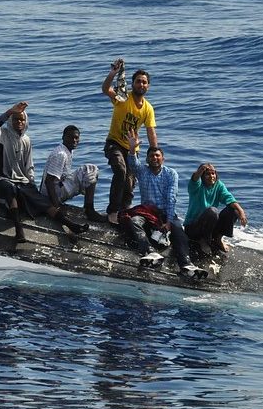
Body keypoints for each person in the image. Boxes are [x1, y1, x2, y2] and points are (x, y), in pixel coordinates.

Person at [0, 102, 88, 243]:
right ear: (11, 120)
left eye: (22, 119)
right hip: (2, 179)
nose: (19, 122)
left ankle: (71, 224)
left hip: (21, 182)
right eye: (16, 119)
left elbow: (29, 167)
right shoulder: (1, 134)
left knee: (41, 201)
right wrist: (9, 112)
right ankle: (19, 231)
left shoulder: (26, 140)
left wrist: (31, 184)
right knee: (9, 189)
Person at [120, 130, 206, 279]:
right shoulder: (142, 171)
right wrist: (132, 149)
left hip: (166, 213)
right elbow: (132, 163)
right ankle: (150, 252)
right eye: (151, 156)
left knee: (178, 231)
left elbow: (171, 197)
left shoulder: (171, 173)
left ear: (163, 159)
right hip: (147, 212)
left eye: (157, 156)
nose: (154, 158)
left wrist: (168, 222)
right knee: (134, 221)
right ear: (147, 159)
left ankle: (186, 265)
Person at [102, 58, 158, 225]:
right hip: (114, 143)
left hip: (132, 149)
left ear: (148, 86)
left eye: (144, 82)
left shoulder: (148, 108)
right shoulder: (122, 97)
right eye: (138, 81)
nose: (141, 85)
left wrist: (155, 153)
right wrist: (113, 73)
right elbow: (105, 89)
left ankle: (124, 212)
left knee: (130, 181)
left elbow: (151, 132)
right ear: (133, 83)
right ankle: (112, 211)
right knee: (120, 170)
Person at [42, 125, 104, 223]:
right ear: (63, 137)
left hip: (57, 189)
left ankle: (88, 208)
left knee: (87, 173)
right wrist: (56, 207)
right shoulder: (61, 154)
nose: (74, 140)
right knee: (91, 169)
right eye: (71, 137)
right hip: (51, 196)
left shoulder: (67, 151)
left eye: (76, 138)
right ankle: (89, 210)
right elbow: (48, 181)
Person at [183, 163, 248, 256]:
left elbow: (230, 199)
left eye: (213, 173)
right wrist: (200, 170)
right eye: (207, 174)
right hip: (193, 228)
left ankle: (218, 239)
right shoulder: (196, 186)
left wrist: (241, 212)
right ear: (202, 176)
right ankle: (203, 241)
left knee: (233, 210)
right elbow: (194, 179)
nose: (211, 176)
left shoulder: (219, 185)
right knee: (212, 211)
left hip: (210, 226)